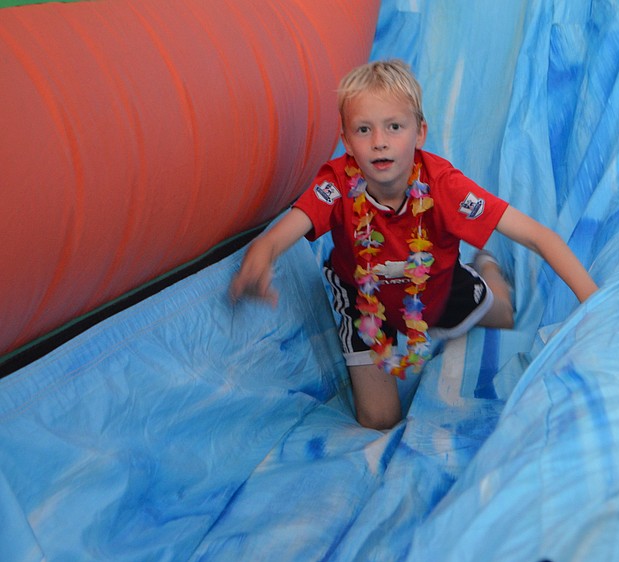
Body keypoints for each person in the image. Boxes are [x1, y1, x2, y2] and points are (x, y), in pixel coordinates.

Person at [230, 60, 597, 430]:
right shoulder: (337, 183)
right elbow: (282, 233)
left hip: (439, 291)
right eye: (363, 129)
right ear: (346, 141)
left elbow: (539, 236)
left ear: (419, 133)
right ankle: (473, 278)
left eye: (394, 126)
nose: (380, 141)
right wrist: (261, 254)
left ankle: (487, 272)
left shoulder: (444, 186)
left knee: (504, 313)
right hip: (365, 306)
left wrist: (595, 304)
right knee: (379, 420)